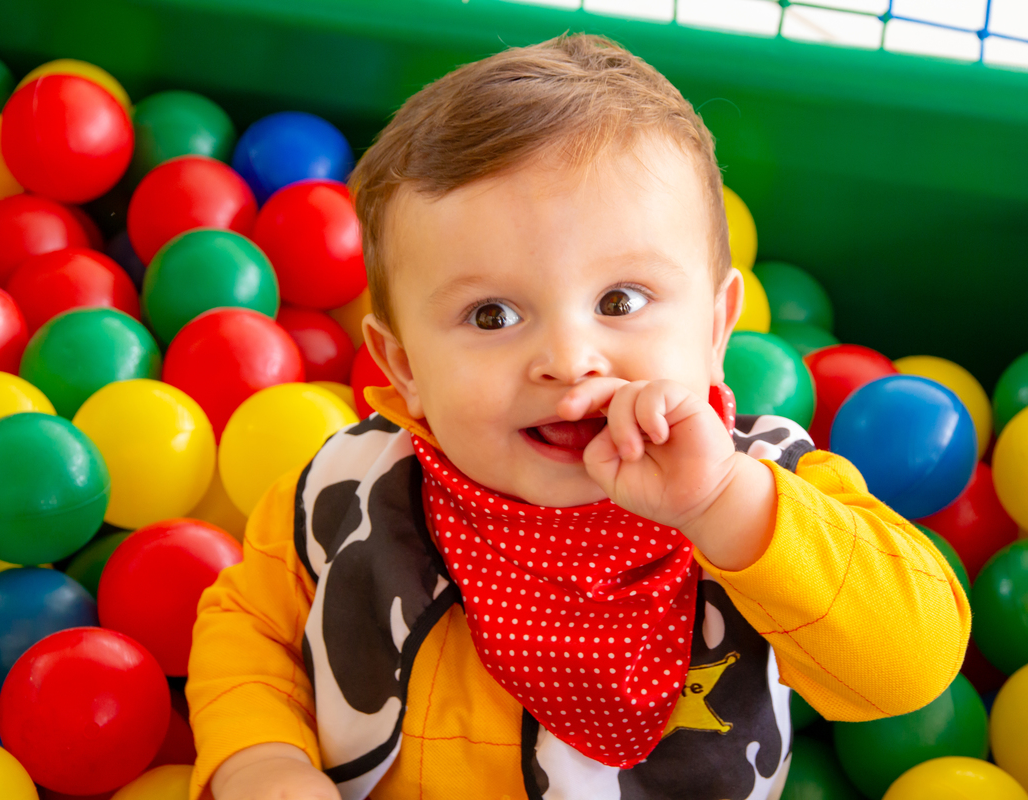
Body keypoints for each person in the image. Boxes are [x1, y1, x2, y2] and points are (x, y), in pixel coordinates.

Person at [186, 33, 970, 800]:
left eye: (621, 302)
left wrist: (726, 505)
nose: (568, 357)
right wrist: (262, 760)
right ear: (403, 368)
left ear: (715, 329)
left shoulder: (771, 488)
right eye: (491, 315)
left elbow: (913, 661)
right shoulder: (352, 490)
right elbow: (248, 622)